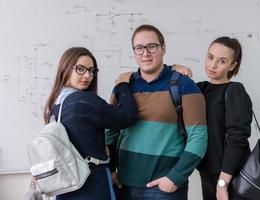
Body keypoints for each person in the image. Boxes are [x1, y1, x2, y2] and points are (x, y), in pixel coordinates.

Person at [106, 24, 208, 200]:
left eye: (152, 46)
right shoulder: (123, 86)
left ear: (163, 48)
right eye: (139, 48)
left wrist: (175, 178)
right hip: (123, 185)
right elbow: (110, 134)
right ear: (134, 51)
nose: (146, 53)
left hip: (163, 189)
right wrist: (110, 171)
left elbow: (198, 137)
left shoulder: (184, 85)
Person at [43, 47, 138, 200]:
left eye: (92, 70)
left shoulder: (54, 104)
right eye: (80, 69)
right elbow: (128, 117)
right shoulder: (84, 101)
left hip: (65, 185)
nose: (88, 76)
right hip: (92, 183)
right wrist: (122, 86)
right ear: (65, 68)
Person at [174, 36, 252, 200]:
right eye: (210, 57)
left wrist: (223, 183)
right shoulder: (201, 88)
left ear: (232, 65)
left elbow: (238, 138)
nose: (213, 65)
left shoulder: (234, 90)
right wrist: (174, 68)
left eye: (222, 61)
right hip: (208, 173)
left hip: (231, 177)